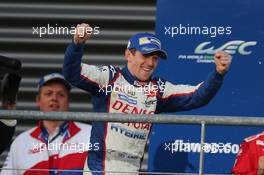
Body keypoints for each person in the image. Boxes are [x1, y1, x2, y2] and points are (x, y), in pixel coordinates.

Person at [63, 23, 232, 175]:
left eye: (155, 58)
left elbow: (196, 97)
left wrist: (218, 74)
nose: (150, 63)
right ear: (128, 54)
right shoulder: (109, 77)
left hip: (132, 171)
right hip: (98, 170)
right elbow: (72, 73)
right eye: (145, 55)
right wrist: (77, 44)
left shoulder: (158, 89)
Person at [0, 73, 93, 175]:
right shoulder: (20, 142)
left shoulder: (91, 135)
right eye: (48, 93)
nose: (54, 98)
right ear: (38, 101)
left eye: (61, 94)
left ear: (68, 101)